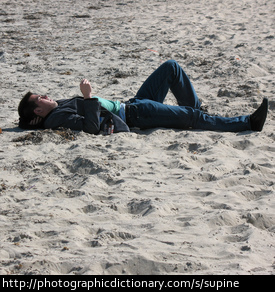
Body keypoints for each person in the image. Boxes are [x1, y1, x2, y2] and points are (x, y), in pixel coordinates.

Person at [18, 60, 268, 134]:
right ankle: (247, 123)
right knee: (190, 117)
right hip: (137, 115)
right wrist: (89, 96)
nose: (45, 95)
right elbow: (91, 128)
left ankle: (198, 113)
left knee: (171, 68)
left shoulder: (55, 109)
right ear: (38, 111)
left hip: (132, 103)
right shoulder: (56, 118)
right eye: (40, 97)